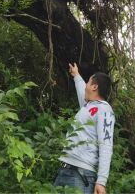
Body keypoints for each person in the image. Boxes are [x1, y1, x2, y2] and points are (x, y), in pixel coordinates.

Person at [53, 63, 115, 194]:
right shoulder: (88, 106)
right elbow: (82, 91)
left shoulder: (104, 110)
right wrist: (76, 74)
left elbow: (106, 144)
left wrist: (101, 181)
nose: (86, 84)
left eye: (88, 82)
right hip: (66, 170)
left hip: (81, 175)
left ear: (94, 86)